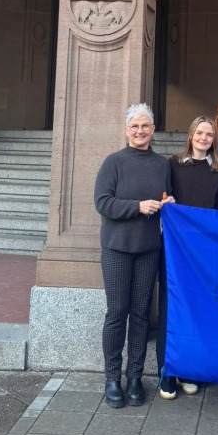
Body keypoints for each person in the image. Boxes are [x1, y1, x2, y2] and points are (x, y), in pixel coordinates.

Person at [94, 103, 174, 409]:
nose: (140, 131)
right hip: (117, 248)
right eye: (135, 126)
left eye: (145, 126)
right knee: (117, 313)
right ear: (126, 130)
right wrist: (137, 207)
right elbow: (103, 202)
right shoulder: (113, 162)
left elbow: (165, 197)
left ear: (153, 129)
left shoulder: (162, 165)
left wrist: (168, 204)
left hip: (148, 248)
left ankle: (135, 377)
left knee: (141, 315)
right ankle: (112, 378)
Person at [158, 116, 218, 400]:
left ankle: (190, 370)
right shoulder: (173, 164)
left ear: (215, 139)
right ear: (191, 135)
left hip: (205, 251)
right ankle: (168, 371)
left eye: (209, 134)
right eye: (199, 133)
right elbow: (165, 198)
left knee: (198, 308)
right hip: (175, 248)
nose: (204, 138)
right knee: (171, 305)